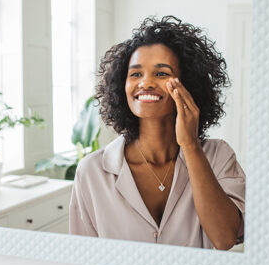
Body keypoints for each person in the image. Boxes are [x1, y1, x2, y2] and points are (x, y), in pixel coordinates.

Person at [69, 16, 245, 250]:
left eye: (161, 73)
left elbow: (225, 239)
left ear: (188, 85)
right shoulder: (92, 171)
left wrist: (190, 146)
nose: (146, 83)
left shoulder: (218, 156)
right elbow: (82, 258)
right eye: (135, 74)